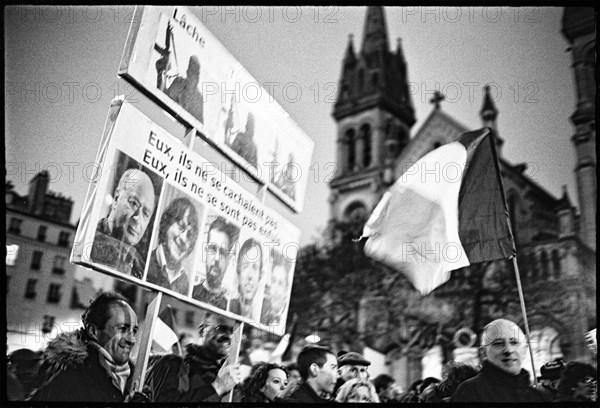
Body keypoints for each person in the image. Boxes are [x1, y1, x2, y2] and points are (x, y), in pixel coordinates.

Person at [31, 291, 139, 402]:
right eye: (122, 329)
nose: (132, 339)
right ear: (93, 331)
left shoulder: (138, 381)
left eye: (134, 331)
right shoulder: (69, 379)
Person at [144, 312, 241, 402]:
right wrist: (217, 387)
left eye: (233, 331)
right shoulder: (174, 364)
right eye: (222, 328)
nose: (229, 336)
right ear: (203, 331)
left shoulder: (230, 377)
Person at [450, 318, 547, 402]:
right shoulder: (469, 392)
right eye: (498, 344)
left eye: (514, 342)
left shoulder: (537, 396)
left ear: (525, 350)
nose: (508, 350)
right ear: (484, 352)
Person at [91, 168, 156, 278]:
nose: (137, 218)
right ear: (116, 198)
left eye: (145, 213)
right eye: (133, 203)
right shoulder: (89, 240)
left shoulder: (143, 270)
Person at [146, 197, 199, 295]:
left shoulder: (186, 286)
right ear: (167, 224)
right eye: (180, 226)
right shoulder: (144, 261)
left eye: (189, 234)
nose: (183, 238)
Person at [192, 217, 239, 309]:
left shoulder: (227, 308)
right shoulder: (190, 292)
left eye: (222, 253)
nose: (216, 258)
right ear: (205, 251)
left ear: (228, 260)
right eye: (212, 249)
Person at [228, 238, 263, 321]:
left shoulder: (257, 319)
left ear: (260, 275)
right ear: (238, 272)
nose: (250, 276)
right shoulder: (228, 308)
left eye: (255, 267)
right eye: (245, 266)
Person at [166, 55, 204, 123]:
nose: (192, 76)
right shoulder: (178, 82)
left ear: (198, 78)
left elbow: (199, 125)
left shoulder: (198, 98)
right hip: (168, 120)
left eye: (195, 74)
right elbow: (165, 99)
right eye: (191, 72)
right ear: (187, 72)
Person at [260, 250, 291, 326]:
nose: (275, 289)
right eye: (274, 281)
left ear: (286, 289)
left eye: (280, 283)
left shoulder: (285, 320)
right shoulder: (262, 311)